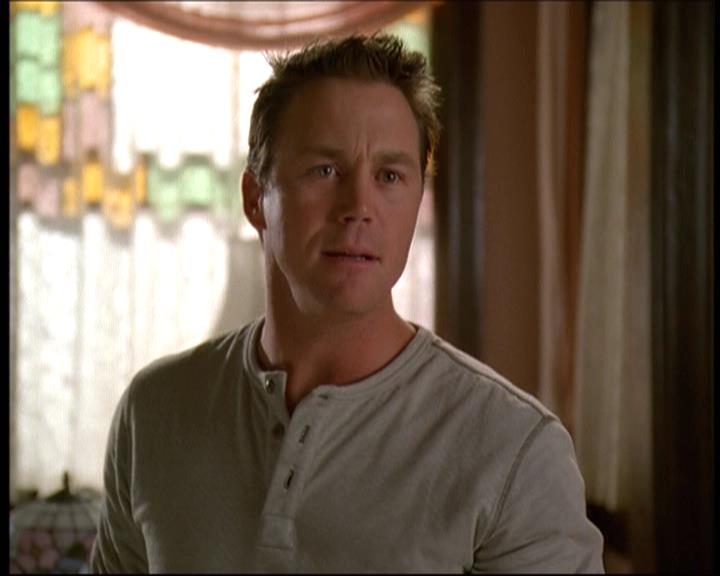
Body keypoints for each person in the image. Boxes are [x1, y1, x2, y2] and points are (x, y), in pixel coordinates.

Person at [90, 33, 604, 573]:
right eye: (325, 170)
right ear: (255, 199)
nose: (359, 206)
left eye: (389, 176)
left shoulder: (513, 452)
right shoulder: (154, 413)